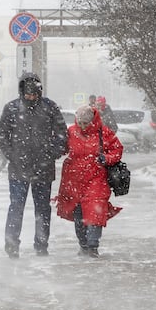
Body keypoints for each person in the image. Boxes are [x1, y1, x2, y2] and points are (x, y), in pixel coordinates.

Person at [0, 72, 68, 258]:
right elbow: (2, 135)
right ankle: (12, 245)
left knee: (42, 208)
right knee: (16, 207)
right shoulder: (12, 108)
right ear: (22, 92)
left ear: (40, 92)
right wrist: (12, 155)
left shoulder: (50, 107)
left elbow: (62, 135)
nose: (31, 98)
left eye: (35, 95)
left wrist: (51, 154)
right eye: (28, 95)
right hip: (18, 168)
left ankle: (41, 245)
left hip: (43, 168)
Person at [56, 105, 124, 258]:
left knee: (95, 211)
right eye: (80, 122)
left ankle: (93, 245)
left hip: (97, 177)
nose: (82, 126)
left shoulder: (104, 132)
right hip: (74, 179)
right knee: (78, 214)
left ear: (93, 121)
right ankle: (83, 244)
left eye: (86, 123)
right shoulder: (71, 132)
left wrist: (106, 158)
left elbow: (117, 149)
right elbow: (62, 148)